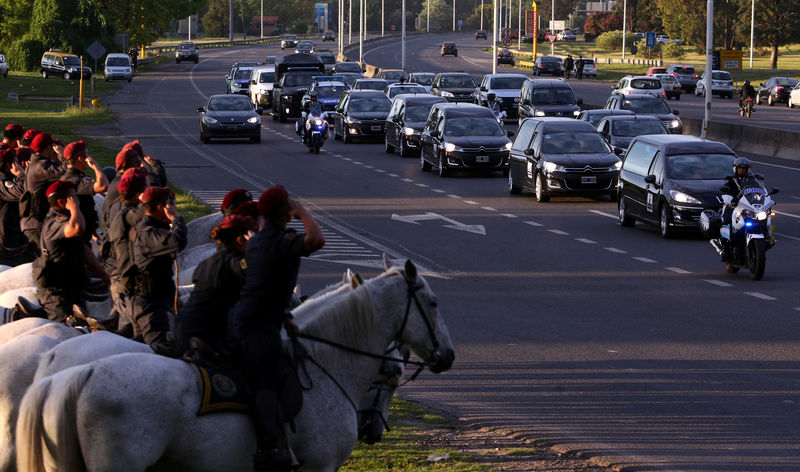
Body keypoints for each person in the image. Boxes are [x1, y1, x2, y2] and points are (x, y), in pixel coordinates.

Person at [228, 185, 325, 471]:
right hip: (258, 325)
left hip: (252, 315)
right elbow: (317, 239)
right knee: (267, 379)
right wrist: (302, 211)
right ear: (285, 211)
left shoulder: (259, 239)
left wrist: (285, 318)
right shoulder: (279, 241)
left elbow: (266, 284)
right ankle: (268, 449)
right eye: (289, 205)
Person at [175, 214, 258, 357]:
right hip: (204, 332)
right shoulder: (232, 262)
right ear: (240, 240)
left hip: (184, 325)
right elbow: (249, 265)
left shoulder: (209, 261)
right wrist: (256, 247)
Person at [131, 186, 187, 356]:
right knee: (160, 355)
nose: (174, 207)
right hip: (150, 307)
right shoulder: (149, 233)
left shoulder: (152, 229)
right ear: (161, 206)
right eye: (170, 204)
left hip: (157, 300)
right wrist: (177, 219)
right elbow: (178, 242)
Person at [32, 181, 89, 322]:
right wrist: (74, 208)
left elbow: (83, 249)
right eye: (73, 197)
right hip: (58, 294)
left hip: (71, 287)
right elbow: (77, 228)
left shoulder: (67, 218)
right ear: (62, 202)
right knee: (66, 332)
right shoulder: (56, 220)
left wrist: (103, 275)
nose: (77, 200)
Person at [106, 168, 148, 336]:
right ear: (139, 194)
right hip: (127, 282)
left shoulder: (125, 210)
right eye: (148, 189)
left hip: (125, 279)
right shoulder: (128, 214)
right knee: (132, 335)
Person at [59, 141, 109, 245]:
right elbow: (104, 186)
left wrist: (92, 229)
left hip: (82, 230)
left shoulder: (66, 178)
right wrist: (96, 167)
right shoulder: (76, 180)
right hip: (79, 236)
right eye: (86, 155)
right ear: (80, 159)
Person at [21, 132, 65, 248]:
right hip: (36, 223)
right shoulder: (42, 165)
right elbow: (65, 173)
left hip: (32, 222)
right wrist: (61, 154)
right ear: (49, 148)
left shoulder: (34, 163)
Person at [0, 147, 27, 254]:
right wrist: (21, 175)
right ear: (8, 165)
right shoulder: (2, 182)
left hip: (14, 232)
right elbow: (21, 192)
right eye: (15, 161)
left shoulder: (9, 178)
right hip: (6, 238)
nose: (18, 164)